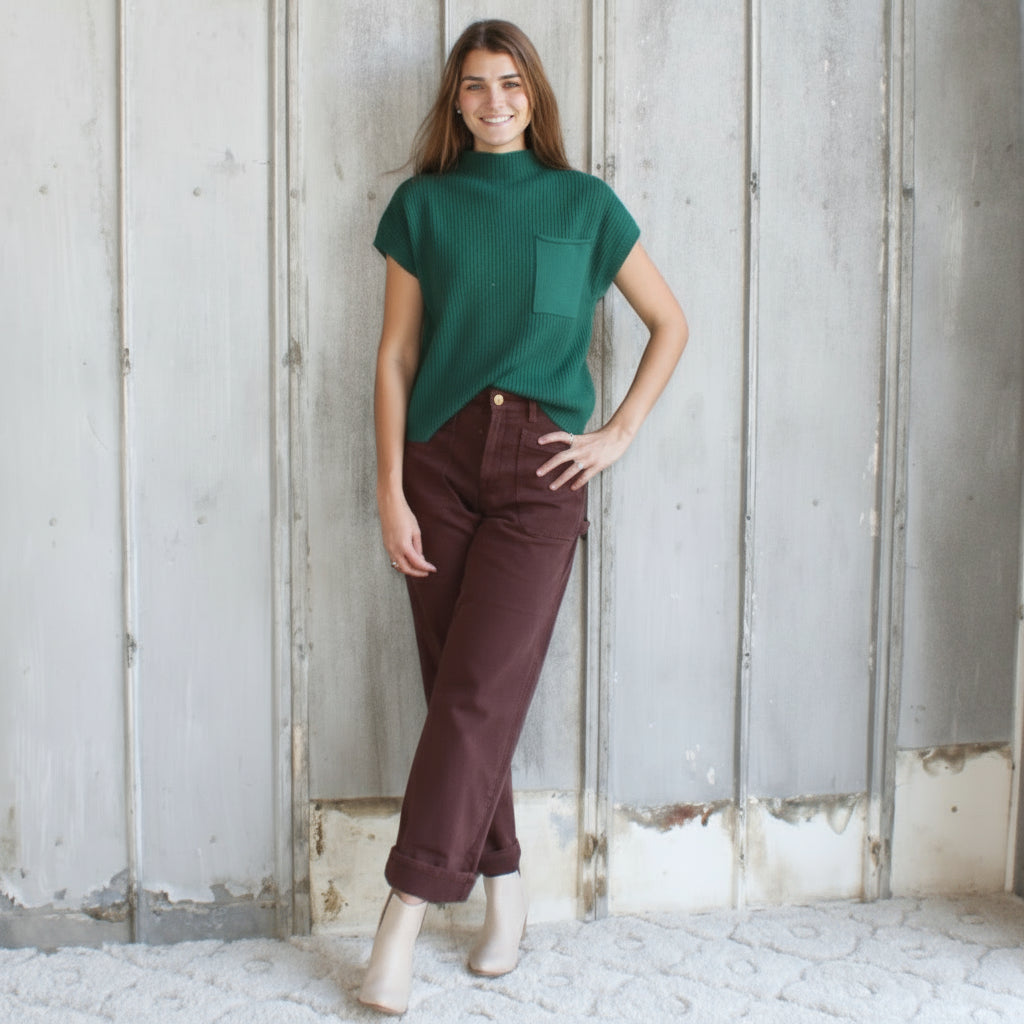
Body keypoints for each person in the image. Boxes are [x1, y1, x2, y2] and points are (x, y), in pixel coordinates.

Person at [358, 18, 688, 1015]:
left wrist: (619, 431)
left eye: (510, 83)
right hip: (439, 461)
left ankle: (402, 917)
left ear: (533, 97)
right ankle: (504, 890)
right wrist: (387, 486)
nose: (493, 99)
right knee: (462, 690)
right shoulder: (423, 206)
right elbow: (393, 357)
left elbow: (670, 322)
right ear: (453, 102)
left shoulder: (584, 206)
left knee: (474, 693)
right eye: (473, 86)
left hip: (542, 466)